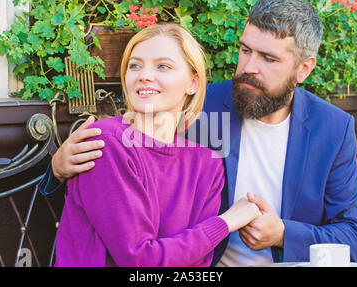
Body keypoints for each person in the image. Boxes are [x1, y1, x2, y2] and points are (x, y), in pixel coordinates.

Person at [41, 0, 357, 266]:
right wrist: (56, 171)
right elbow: (119, 174)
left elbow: (354, 237)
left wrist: (283, 234)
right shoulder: (194, 107)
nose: (249, 67)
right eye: (245, 50)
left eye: (268, 58)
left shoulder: (332, 129)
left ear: (304, 69)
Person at [53, 23, 261, 267]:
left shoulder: (206, 163)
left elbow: (198, 262)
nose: (144, 75)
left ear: (193, 83)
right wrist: (225, 223)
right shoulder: (108, 143)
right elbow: (140, 260)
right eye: (135, 66)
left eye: (163, 66)